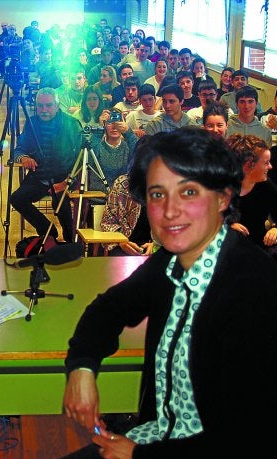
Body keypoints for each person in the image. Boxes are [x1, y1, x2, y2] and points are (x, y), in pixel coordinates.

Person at [62, 127, 277, 459]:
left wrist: (136, 455)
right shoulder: (170, 263)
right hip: (154, 435)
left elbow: (246, 437)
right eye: (157, 194)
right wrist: (82, 368)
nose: (169, 210)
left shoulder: (254, 290)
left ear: (223, 197)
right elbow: (109, 308)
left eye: (188, 192)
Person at [10, 88, 82, 243]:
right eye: (40, 106)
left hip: (63, 178)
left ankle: (70, 242)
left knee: (61, 204)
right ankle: (47, 230)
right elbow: (19, 148)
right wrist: (23, 158)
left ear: (57, 105)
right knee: (16, 199)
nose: (44, 110)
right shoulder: (32, 123)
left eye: (48, 105)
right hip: (39, 177)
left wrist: (66, 183)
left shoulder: (71, 124)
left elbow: (81, 158)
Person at [227, 134, 277, 256]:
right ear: (249, 165)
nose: (270, 167)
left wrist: (276, 229)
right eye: (266, 163)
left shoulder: (266, 186)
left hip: (257, 248)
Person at [100, 173, 154, 256]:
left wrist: (156, 245)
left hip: (158, 246)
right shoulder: (122, 183)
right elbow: (107, 222)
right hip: (121, 244)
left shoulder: (170, 184)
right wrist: (122, 241)